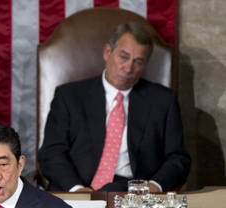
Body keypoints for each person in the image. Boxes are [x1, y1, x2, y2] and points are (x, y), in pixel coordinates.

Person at [38, 22, 191, 193]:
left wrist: (154, 186)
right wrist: (77, 190)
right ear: (107, 52)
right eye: (123, 57)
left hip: (132, 195)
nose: (128, 68)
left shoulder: (163, 101)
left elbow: (178, 158)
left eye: (138, 62)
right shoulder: (69, 96)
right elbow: (51, 153)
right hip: (76, 190)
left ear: (145, 64)